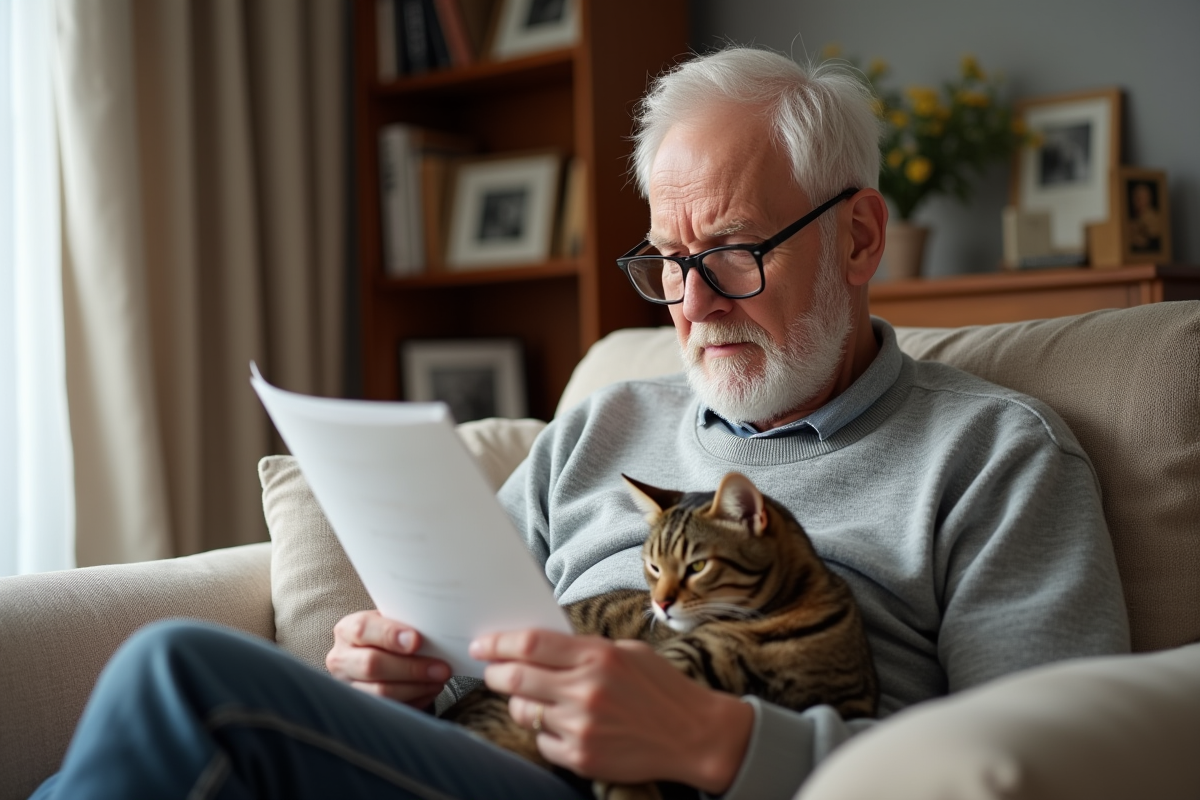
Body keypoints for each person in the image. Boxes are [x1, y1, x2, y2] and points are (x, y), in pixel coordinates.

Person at [33, 47, 1129, 800]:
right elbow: (469, 656)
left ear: (857, 237)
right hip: (493, 760)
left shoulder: (994, 456)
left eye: (733, 251)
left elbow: (1046, 771)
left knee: (183, 677)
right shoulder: (600, 427)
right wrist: (396, 672)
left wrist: (719, 740)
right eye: (667, 260)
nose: (691, 302)